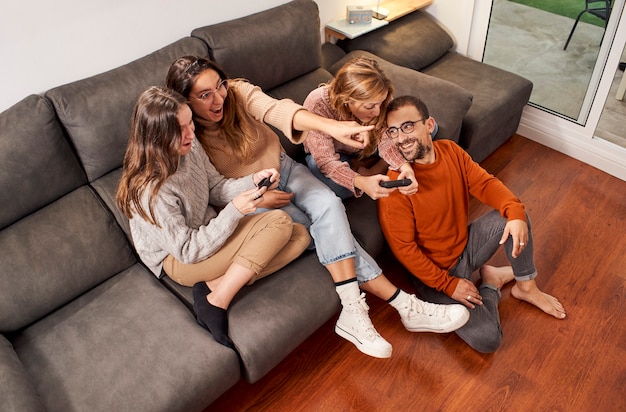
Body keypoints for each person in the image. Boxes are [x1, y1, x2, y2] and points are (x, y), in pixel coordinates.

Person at [165, 56, 469, 359]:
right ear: (185, 102)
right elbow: (215, 188)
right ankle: (402, 304)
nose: (219, 97)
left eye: (220, 86)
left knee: (329, 205)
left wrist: (333, 129)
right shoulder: (186, 136)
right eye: (205, 95)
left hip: (282, 167)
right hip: (254, 192)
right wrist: (257, 195)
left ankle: (358, 310)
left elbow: (278, 109)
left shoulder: (238, 93)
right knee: (314, 228)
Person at [116, 86, 311, 349]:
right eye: (181, 129)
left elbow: (215, 188)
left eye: (190, 124)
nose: (191, 133)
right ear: (158, 136)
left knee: (300, 235)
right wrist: (235, 211)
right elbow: (187, 250)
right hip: (178, 259)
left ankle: (215, 285)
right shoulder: (151, 191)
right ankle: (217, 300)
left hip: (207, 232)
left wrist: (252, 182)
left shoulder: (190, 146)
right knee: (279, 223)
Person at [377, 95, 567, 353]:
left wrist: (515, 211)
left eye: (408, 126)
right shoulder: (397, 184)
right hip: (436, 275)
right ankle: (492, 283)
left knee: (514, 216)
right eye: (393, 131)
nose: (401, 137)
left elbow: (486, 185)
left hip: (466, 247)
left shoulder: (451, 151)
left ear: (429, 125)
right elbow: (404, 250)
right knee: (488, 339)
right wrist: (449, 284)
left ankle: (526, 287)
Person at [303, 57, 433, 200]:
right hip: (336, 153)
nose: (377, 112)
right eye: (370, 106)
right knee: (339, 187)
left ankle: (375, 168)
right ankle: (372, 167)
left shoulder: (380, 99)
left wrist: (405, 167)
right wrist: (362, 182)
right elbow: (326, 161)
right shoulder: (317, 104)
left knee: (427, 128)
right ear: (346, 99)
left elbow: (385, 138)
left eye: (381, 103)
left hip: (371, 146)